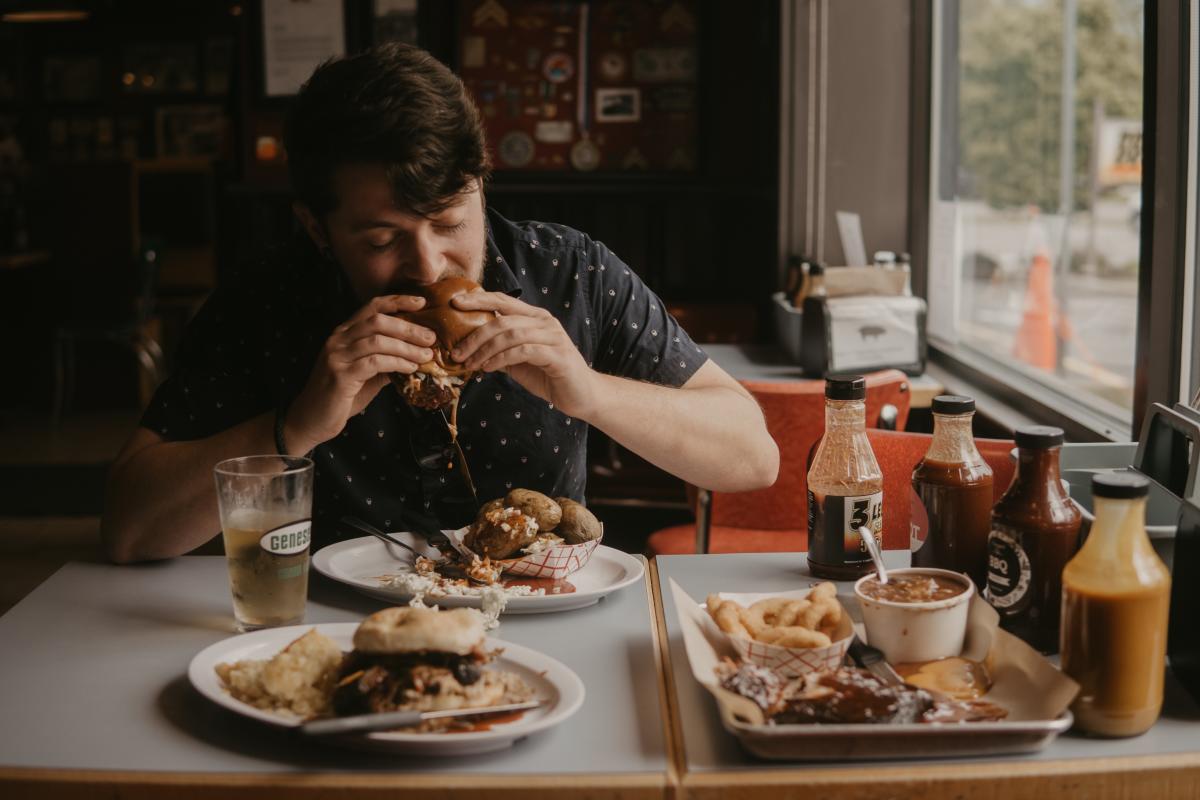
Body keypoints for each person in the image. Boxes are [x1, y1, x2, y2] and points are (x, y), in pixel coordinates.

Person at [101, 43, 778, 563]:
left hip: (542, 625)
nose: (427, 265)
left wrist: (591, 393)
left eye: (451, 222)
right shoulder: (263, 300)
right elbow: (130, 532)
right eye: (382, 239)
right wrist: (294, 429)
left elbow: (752, 457)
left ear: (482, 184)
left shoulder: (571, 272)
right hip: (328, 627)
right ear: (317, 228)